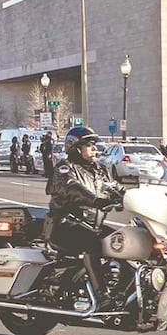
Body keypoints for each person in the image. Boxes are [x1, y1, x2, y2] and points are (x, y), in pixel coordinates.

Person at [47, 125, 124, 310]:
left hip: (92, 226)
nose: (94, 148)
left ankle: (122, 291)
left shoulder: (98, 170)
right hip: (64, 226)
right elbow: (72, 188)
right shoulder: (65, 168)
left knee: (123, 241)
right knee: (92, 243)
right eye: (89, 144)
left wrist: (129, 196)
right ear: (75, 148)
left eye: (94, 144)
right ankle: (102, 297)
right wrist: (96, 200)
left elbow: (115, 187)